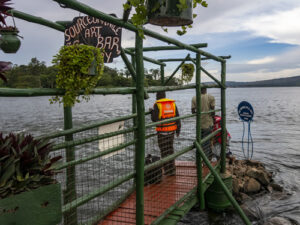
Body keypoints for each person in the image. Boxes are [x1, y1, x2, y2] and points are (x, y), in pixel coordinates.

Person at [150, 91, 181, 175]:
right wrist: (178, 130)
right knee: (170, 150)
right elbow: (177, 117)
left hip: (162, 132)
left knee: (164, 151)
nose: (156, 98)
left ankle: (167, 171)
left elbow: (155, 119)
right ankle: (172, 169)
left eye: (156, 96)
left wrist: (152, 112)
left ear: (158, 96)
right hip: (171, 131)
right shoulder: (173, 104)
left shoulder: (157, 105)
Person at [191, 87, 215, 160]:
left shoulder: (194, 98)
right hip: (208, 123)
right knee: (207, 143)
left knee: (199, 143)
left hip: (199, 124)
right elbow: (213, 111)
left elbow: (192, 111)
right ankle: (206, 161)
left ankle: (199, 160)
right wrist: (212, 117)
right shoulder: (211, 97)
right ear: (206, 89)